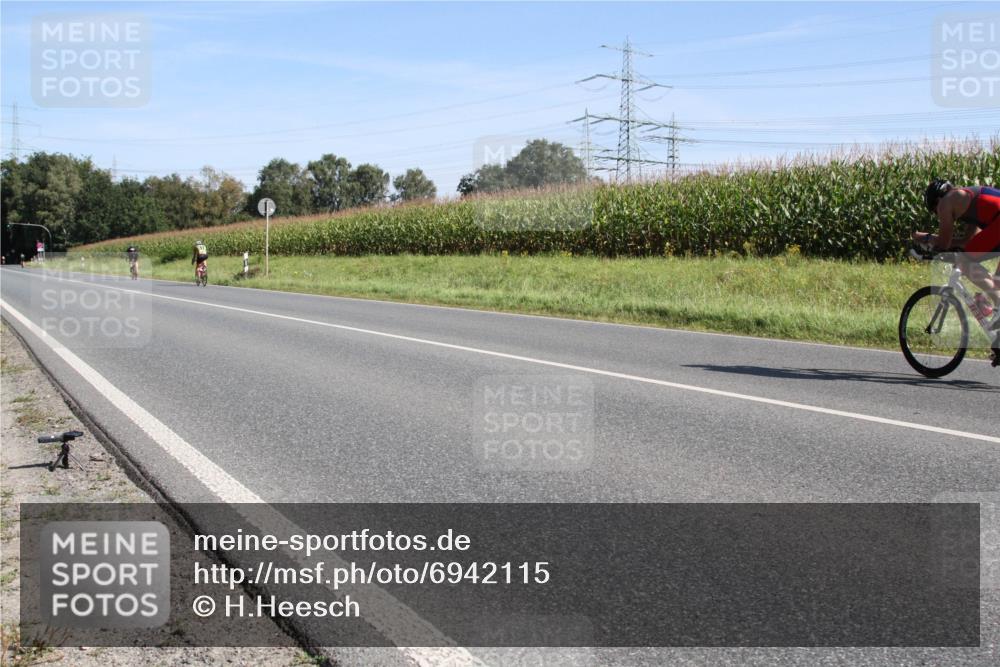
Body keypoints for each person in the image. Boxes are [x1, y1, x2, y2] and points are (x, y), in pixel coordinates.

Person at [913, 180, 1000, 320]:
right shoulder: (967, 200)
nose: (939, 214)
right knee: (996, 283)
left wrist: (927, 238)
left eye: (935, 211)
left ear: (937, 200)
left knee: (964, 262)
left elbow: (944, 244)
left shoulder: (945, 202)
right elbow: (966, 243)